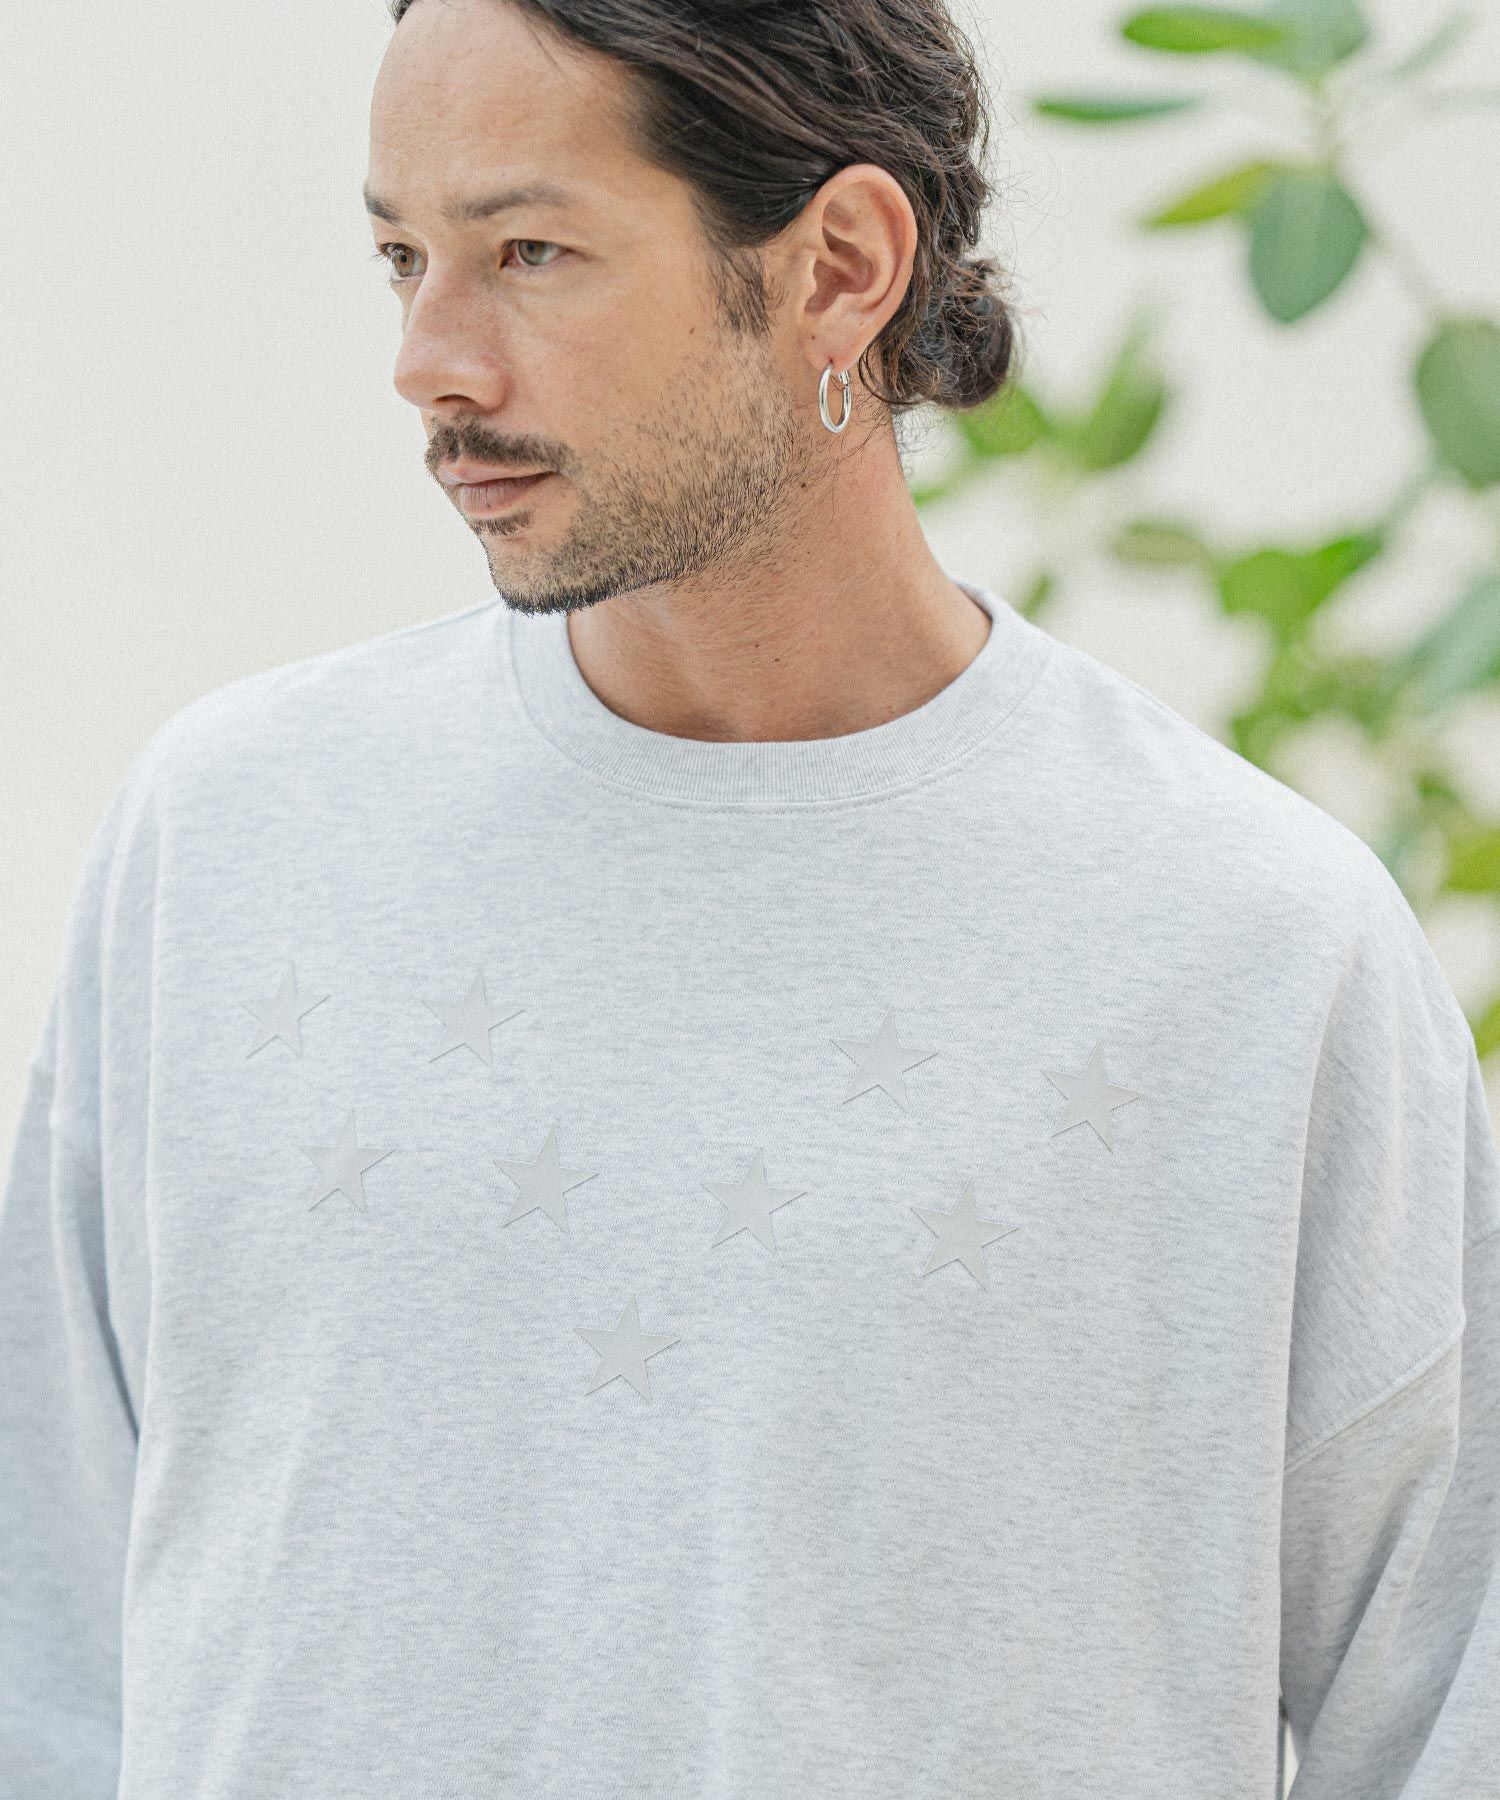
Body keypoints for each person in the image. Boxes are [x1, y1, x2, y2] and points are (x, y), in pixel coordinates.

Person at [2, 1, 1496, 1795]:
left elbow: (1450, 1705)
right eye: (403, 257)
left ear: (839, 267)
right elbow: (44, 1637)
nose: (428, 360)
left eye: (528, 252)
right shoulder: (230, 845)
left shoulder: (1252, 946)